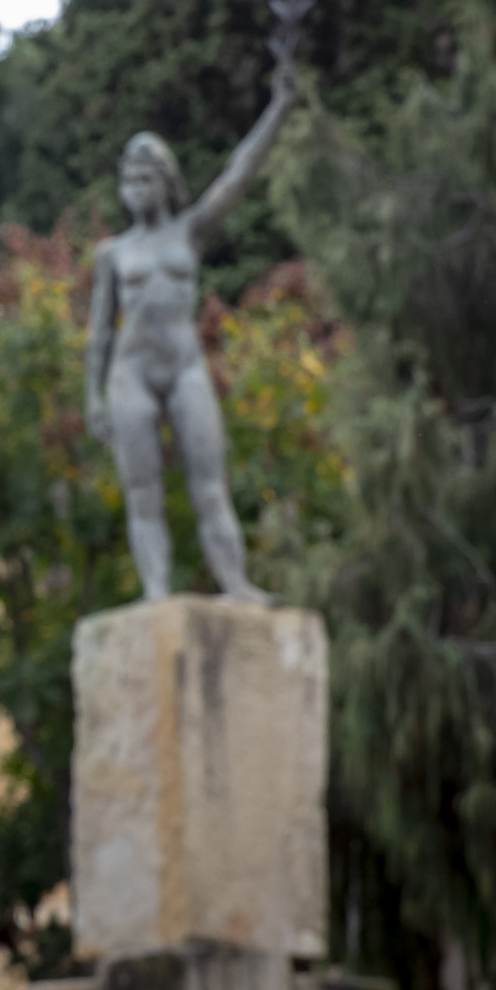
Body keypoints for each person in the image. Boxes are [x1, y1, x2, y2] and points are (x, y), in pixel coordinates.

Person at [84, 54, 301, 603]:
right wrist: (91, 396)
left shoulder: (190, 233)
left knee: (210, 485)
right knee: (142, 492)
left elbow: (237, 174)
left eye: (144, 177)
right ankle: (156, 591)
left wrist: (279, 106)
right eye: (127, 179)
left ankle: (235, 582)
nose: (134, 188)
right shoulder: (113, 253)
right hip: (130, 373)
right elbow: (99, 333)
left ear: (166, 181)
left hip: (183, 367)